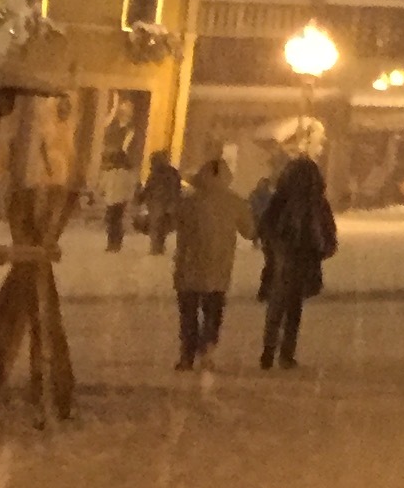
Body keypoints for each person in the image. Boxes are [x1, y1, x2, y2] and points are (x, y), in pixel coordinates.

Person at [168, 157, 257, 372]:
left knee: (188, 314)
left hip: (189, 265)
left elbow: (171, 222)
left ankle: (187, 355)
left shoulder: (189, 201)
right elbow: (250, 231)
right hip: (219, 267)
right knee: (212, 312)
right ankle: (207, 350)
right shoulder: (235, 202)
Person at [254, 153, 340, 372]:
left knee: (277, 305)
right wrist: (325, 248)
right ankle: (286, 354)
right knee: (294, 309)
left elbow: (266, 225)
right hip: (305, 258)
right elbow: (327, 231)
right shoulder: (317, 202)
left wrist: (271, 248)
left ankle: (269, 350)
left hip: (283, 256)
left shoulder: (281, 200)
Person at [133, 151, 183, 254]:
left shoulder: (156, 174)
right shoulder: (171, 173)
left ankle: (156, 247)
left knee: (157, 225)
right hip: (163, 202)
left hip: (158, 202)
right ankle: (158, 246)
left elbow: (149, 188)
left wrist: (140, 198)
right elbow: (176, 188)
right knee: (161, 225)